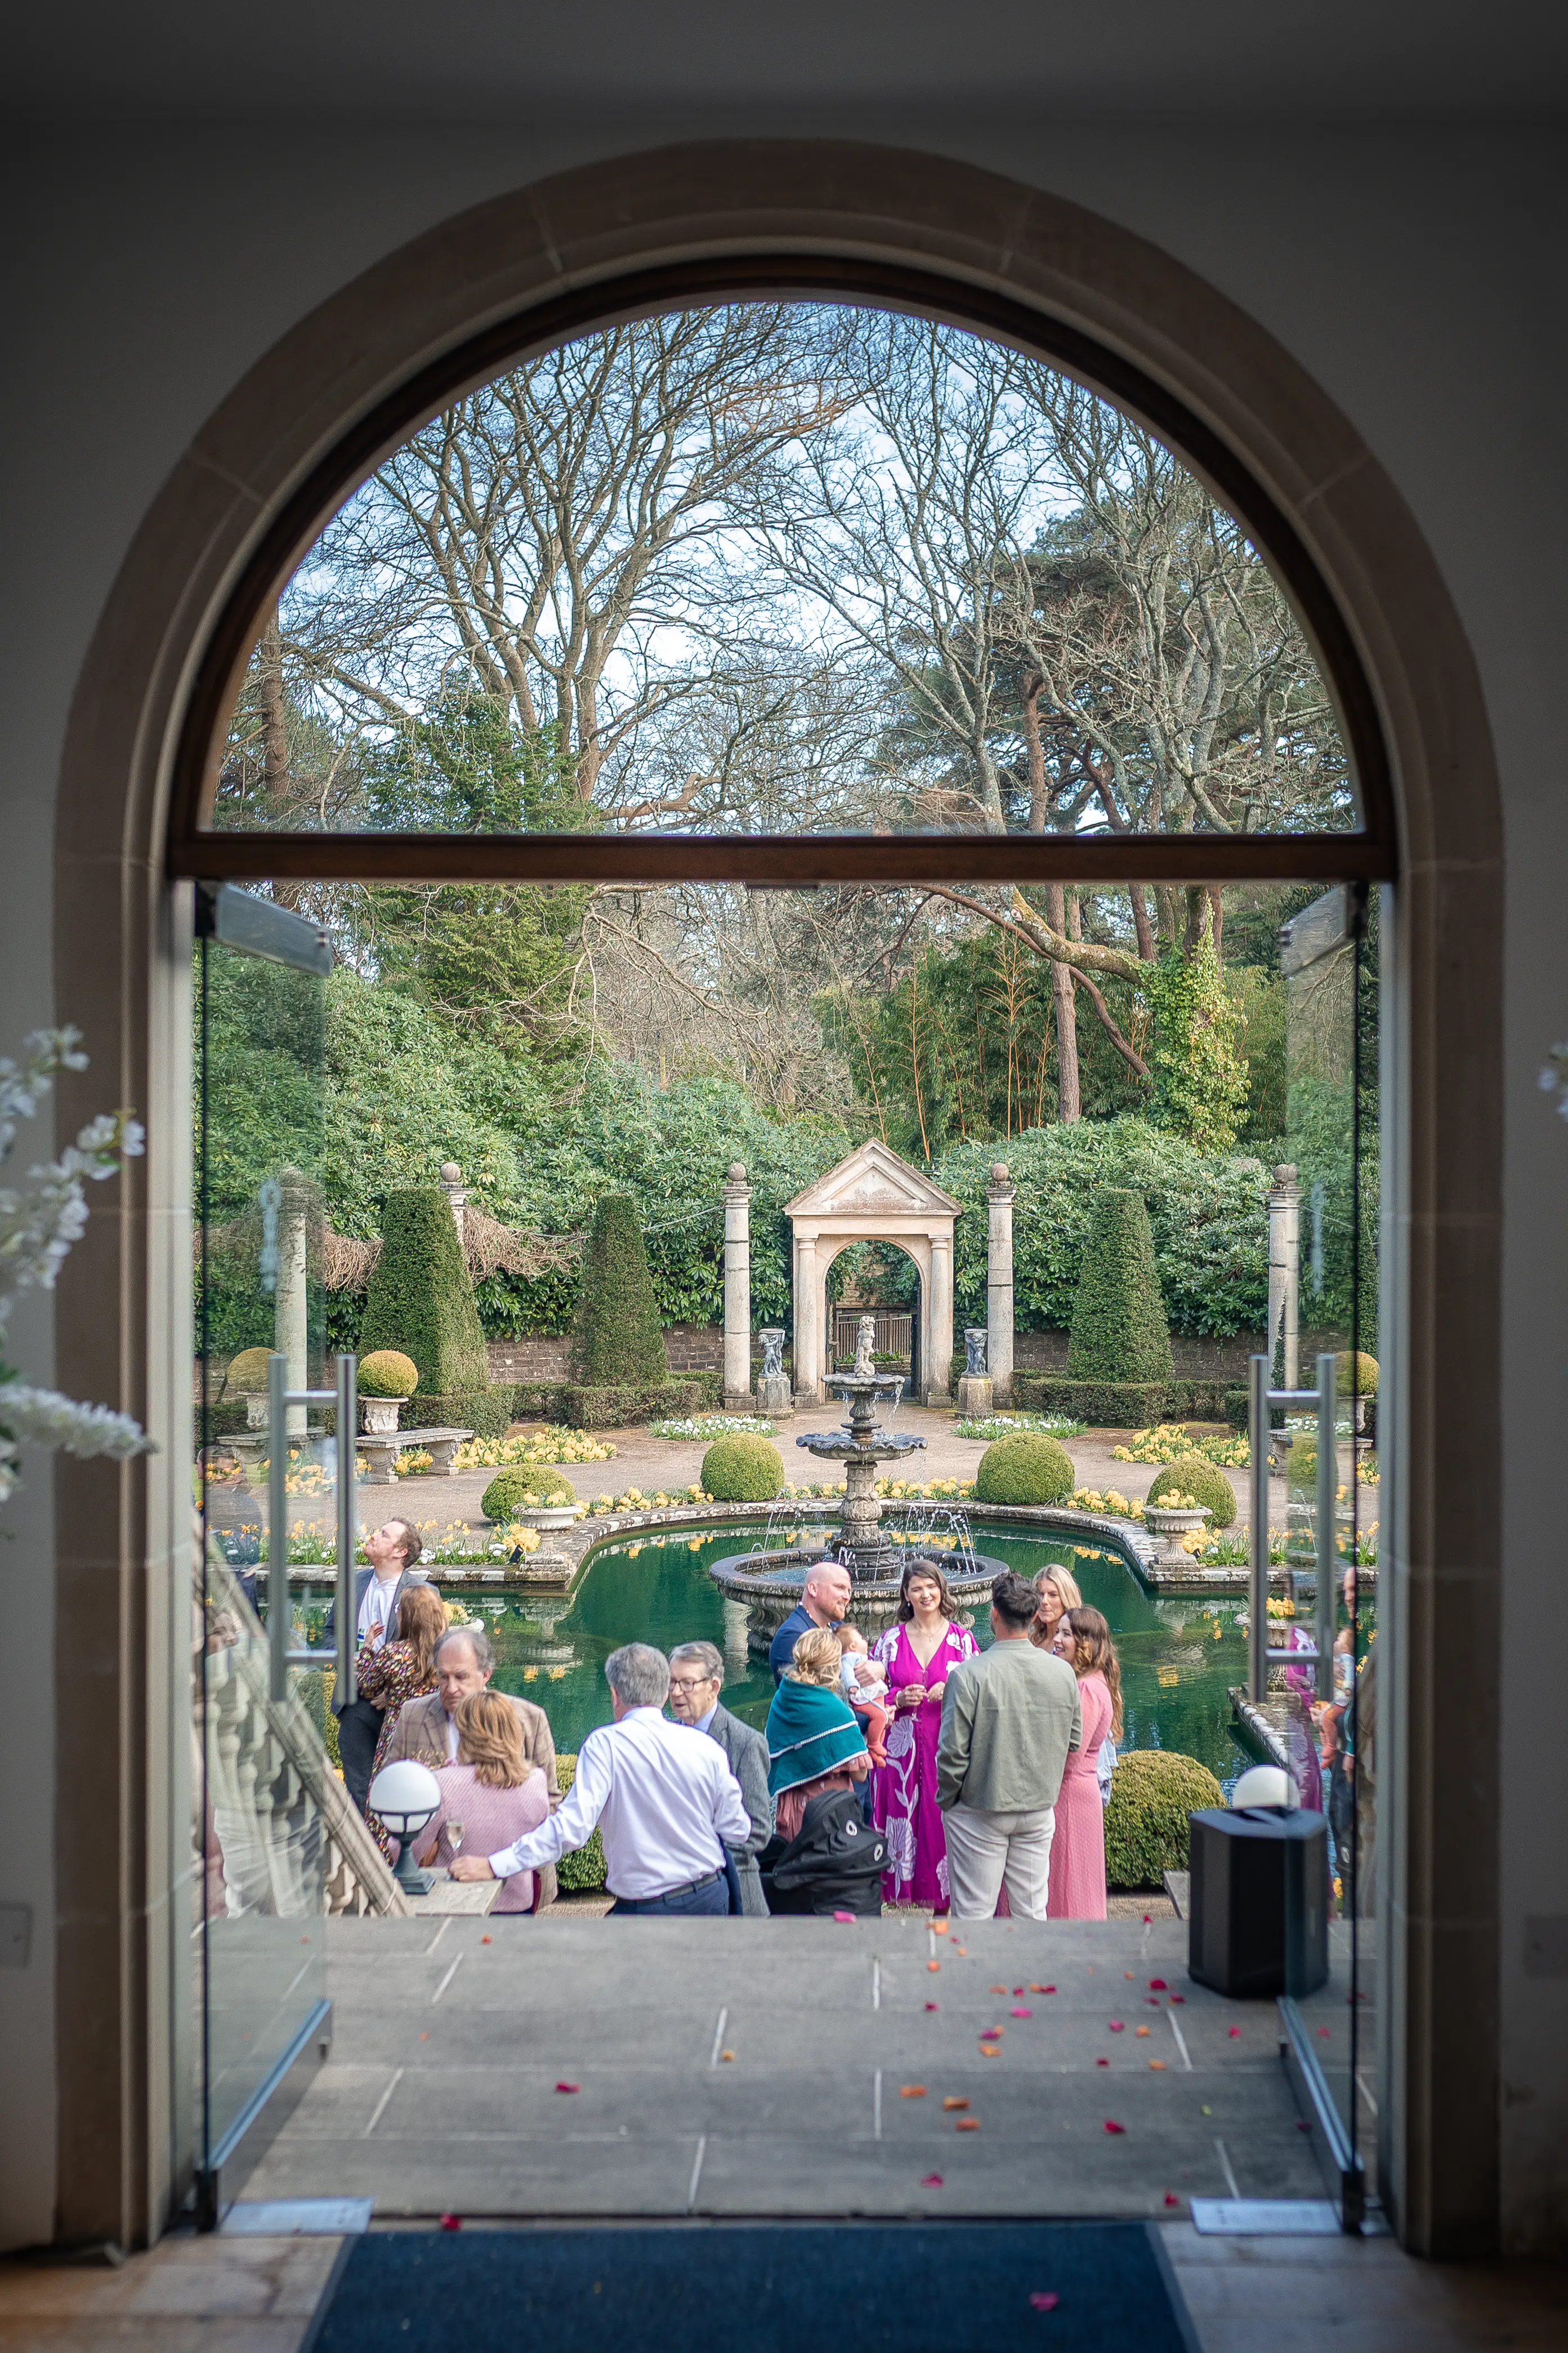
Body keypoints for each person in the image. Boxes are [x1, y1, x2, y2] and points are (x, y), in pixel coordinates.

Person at [450, 1643, 750, 1916]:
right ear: (663, 1693)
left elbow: (572, 1829)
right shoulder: (705, 1745)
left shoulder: (606, 1744)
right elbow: (738, 1829)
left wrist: (494, 1865)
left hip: (649, 1908)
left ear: (614, 1694)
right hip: (711, 1896)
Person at [934, 1570, 1082, 1920]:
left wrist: (948, 1800)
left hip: (979, 1807)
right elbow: (1073, 1740)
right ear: (1033, 1617)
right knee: (1032, 1912)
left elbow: (952, 1754)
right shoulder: (1063, 1672)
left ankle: (977, 1976)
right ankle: (1029, 1976)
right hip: (1037, 1807)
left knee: (974, 1915)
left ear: (994, 1614)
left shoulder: (967, 1675)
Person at [381, 1623, 561, 1904]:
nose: (451, 1688)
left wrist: (500, 1854)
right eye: (443, 1677)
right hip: (435, 1883)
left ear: (486, 1674)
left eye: (461, 1677)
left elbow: (550, 1803)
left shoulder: (529, 1718)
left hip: (515, 1882)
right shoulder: (413, 1715)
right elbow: (389, 1787)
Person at [868, 1559, 979, 1910]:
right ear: (906, 1595)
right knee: (898, 1822)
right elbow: (865, 1693)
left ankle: (943, 1907)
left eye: (931, 1586)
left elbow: (982, 1695)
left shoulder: (963, 1642)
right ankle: (897, 1899)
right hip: (898, 1754)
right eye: (917, 1588)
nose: (925, 1594)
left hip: (946, 1748)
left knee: (940, 1821)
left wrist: (954, 1689)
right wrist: (897, 1698)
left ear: (941, 1590)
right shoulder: (890, 1641)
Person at [761, 1628, 880, 1913]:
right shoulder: (834, 1710)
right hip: (828, 1813)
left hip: (790, 1809)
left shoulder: (783, 1698)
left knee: (796, 1881)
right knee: (829, 1886)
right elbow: (860, 1773)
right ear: (833, 1664)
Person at [411, 1689, 551, 1914]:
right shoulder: (535, 1780)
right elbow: (541, 1846)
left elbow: (406, 1849)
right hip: (518, 1905)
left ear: (466, 1733)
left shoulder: (443, 1782)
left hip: (455, 1903)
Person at [327, 1518, 428, 1813]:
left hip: (400, 1709)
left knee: (398, 1790)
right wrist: (347, 1658)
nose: (373, 1536)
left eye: (383, 1535)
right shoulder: (352, 1583)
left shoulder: (421, 1593)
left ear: (399, 1552)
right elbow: (330, 1633)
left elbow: (432, 1653)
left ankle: (394, 1854)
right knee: (358, 1791)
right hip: (355, 1702)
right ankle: (364, 1855)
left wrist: (398, 1692)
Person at [666, 1639, 772, 1915]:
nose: (676, 1693)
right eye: (672, 1682)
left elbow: (759, 1830)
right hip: (675, 1894)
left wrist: (702, 1864)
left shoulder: (746, 1743)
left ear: (714, 1687)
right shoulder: (665, 1740)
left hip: (735, 1892)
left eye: (687, 1683)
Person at [1046, 1606, 1124, 1920]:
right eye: (1059, 1632)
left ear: (1087, 1643)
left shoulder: (1088, 1688)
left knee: (1069, 1878)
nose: (1058, 1639)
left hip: (1070, 1793)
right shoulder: (1089, 1681)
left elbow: (1071, 1755)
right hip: (1075, 1791)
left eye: (1067, 1634)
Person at [356, 1580, 448, 1800]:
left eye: (399, 1609)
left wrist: (366, 1649)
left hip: (399, 1732)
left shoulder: (394, 1652)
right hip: (438, 1730)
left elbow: (367, 1687)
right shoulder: (447, 1651)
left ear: (407, 1616)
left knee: (392, 1795)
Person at [768, 1558, 853, 1684]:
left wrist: (879, 1669)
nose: (847, 1597)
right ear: (813, 1589)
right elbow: (800, 1695)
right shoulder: (792, 1636)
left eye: (849, 1591)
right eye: (840, 1587)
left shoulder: (837, 1626)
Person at [835, 1623, 890, 1766]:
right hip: (862, 1699)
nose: (865, 1641)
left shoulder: (860, 1657)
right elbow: (846, 1673)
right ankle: (873, 1744)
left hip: (872, 1695)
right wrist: (852, 1685)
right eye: (861, 1638)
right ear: (853, 1646)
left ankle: (875, 1751)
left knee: (883, 1719)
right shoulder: (850, 1658)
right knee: (880, 1716)